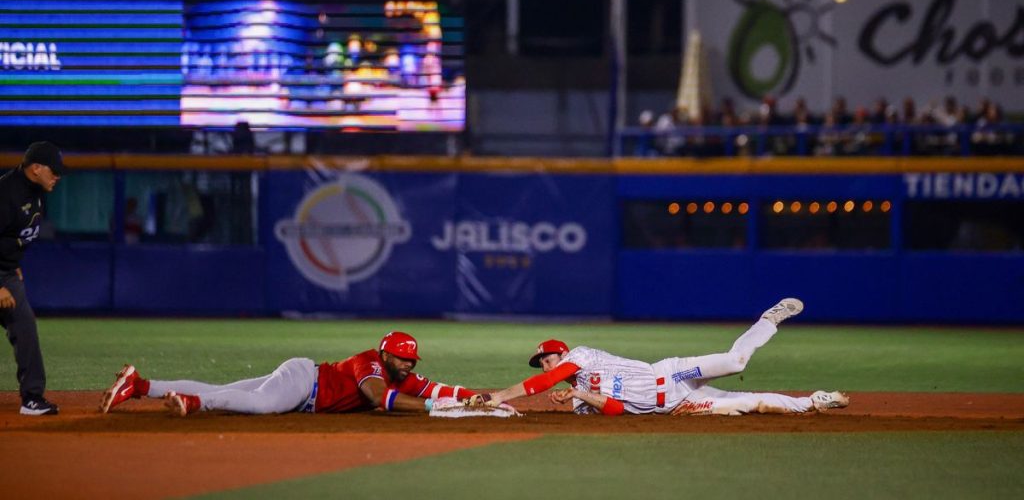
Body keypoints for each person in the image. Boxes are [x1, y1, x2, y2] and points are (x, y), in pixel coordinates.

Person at [472, 299, 849, 416]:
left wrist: (500, 396)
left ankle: (768, 321)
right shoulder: (578, 402)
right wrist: (581, 396)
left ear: (560, 352)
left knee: (736, 362)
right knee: (753, 403)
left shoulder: (580, 356)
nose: (545, 365)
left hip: (670, 373)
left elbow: (549, 382)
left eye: (546, 359)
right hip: (675, 405)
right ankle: (814, 402)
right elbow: (618, 412)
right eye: (542, 362)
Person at [100, 331, 475, 416]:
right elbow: (380, 399)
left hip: (303, 386)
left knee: (228, 389)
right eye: (402, 358)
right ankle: (193, 403)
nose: (408, 365)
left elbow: (438, 387)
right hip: (303, 382)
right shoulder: (370, 362)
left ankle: (140, 385)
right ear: (385, 354)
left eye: (411, 360)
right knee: (262, 406)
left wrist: (477, 398)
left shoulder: (402, 375)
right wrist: (432, 409)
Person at [0, 141, 65, 415]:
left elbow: (12, 238)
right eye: (54, 170)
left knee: (25, 326)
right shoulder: (5, 193)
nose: (58, 176)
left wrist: (12, 265)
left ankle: (32, 398)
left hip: (7, 273)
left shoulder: (36, 192)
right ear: (35, 168)